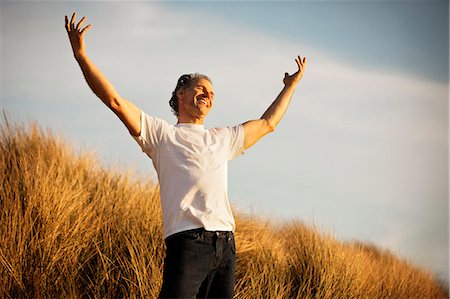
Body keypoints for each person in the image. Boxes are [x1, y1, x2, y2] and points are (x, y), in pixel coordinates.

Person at [65, 12, 306, 299]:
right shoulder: (161, 134)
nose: (208, 95)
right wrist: (82, 56)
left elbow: (268, 124)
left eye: (213, 93)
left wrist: (290, 87)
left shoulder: (223, 138)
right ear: (181, 93)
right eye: (201, 88)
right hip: (188, 243)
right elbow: (115, 102)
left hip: (226, 246)